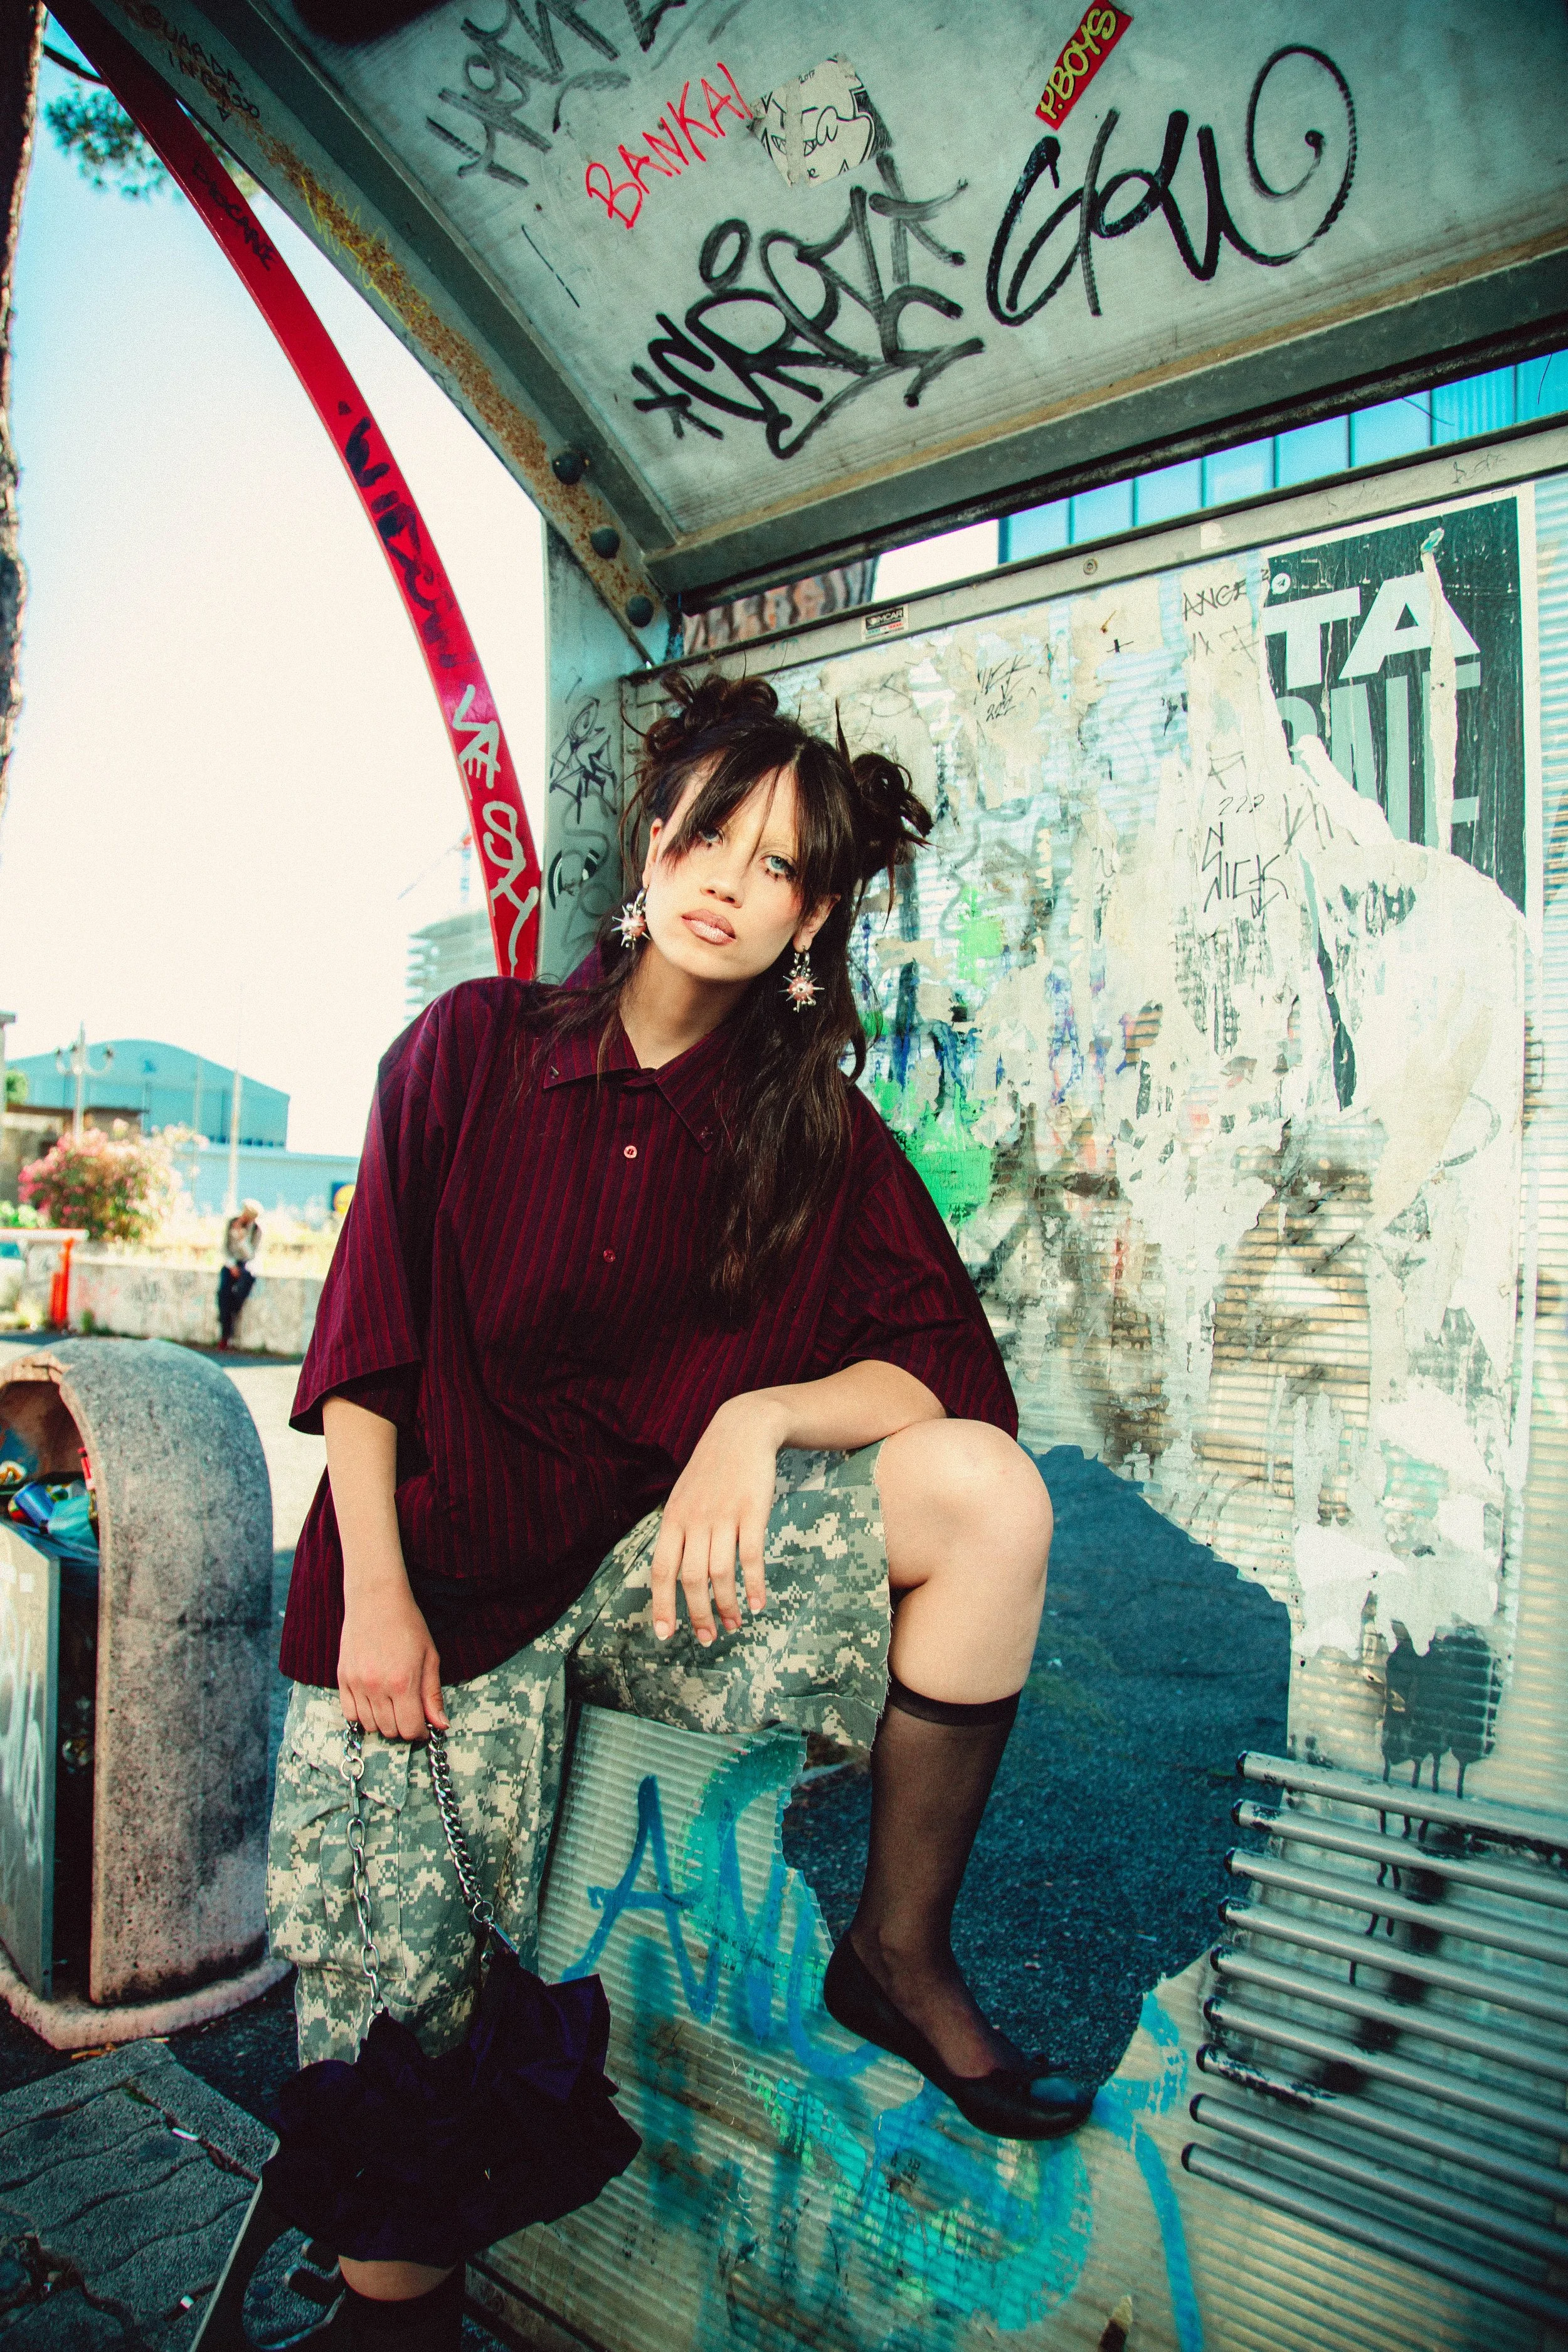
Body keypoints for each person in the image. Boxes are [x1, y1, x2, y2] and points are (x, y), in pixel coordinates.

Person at [268, 674, 1091, 2345]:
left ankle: (898, 1947)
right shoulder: (472, 1046)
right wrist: (375, 1591)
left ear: (813, 912)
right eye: (705, 827)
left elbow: (948, 1379)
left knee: (985, 1495)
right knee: (399, 2049)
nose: (727, 872)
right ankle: (393, 2315)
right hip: (428, 1590)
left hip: (640, 1587)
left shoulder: (813, 1136)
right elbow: (366, 1338)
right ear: (650, 840)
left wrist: (763, 1409)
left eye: (777, 861)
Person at [218, 1198, 262, 1348]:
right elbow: (225, 1247)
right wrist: (231, 1266)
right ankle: (225, 1335)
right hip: (231, 1263)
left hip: (246, 1265)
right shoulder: (231, 1223)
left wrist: (242, 1238)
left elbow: (251, 1254)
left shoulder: (257, 1230)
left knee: (242, 1288)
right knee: (223, 1293)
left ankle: (230, 1312)